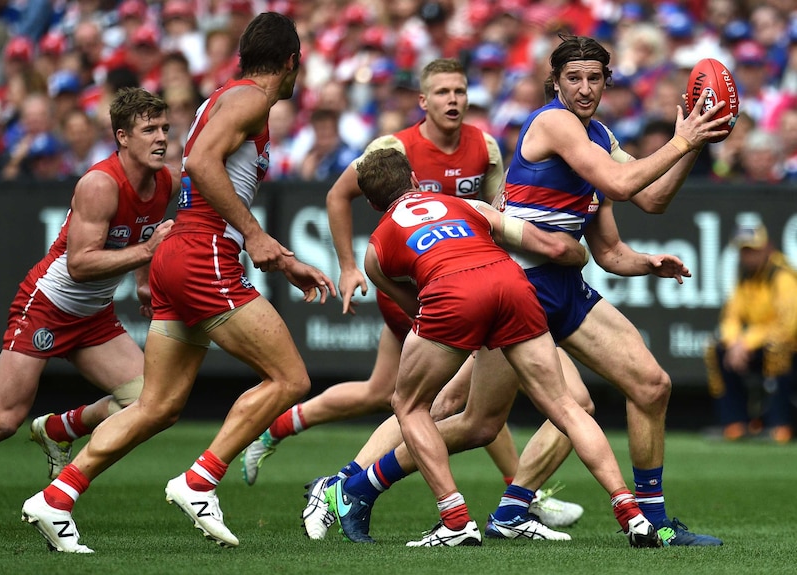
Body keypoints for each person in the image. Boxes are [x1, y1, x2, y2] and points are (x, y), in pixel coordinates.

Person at [20, 12, 336, 554]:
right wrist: (256, 235)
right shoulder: (253, 100)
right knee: (290, 379)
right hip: (203, 253)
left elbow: (202, 171)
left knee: (157, 405)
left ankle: (56, 498)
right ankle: (200, 481)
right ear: (291, 62)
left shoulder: (226, 96)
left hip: (181, 254)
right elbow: (203, 164)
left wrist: (278, 257)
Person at [240, 58, 583, 534]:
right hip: (423, 291)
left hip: (474, 284)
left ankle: (329, 472)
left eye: (460, 91)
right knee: (440, 404)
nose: (454, 100)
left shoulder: (483, 146)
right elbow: (340, 196)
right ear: (424, 101)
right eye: (442, 92)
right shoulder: (392, 148)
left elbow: (495, 208)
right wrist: (345, 266)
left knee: (410, 398)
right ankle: (510, 499)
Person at [327, 147, 660, 548]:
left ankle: (453, 519)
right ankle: (630, 512)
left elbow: (416, 309)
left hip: (452, 297)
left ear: (370, 202)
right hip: (512, 284)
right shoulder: (467, 205)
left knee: (410, 405)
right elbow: (548, 245)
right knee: (566, 406)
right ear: (415, 179)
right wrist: (580, 252)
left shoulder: (375, 251)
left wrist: (466, 331)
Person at [480, 34, 729, 545]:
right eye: (574, 77)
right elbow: (618, 184)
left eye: (595, 77)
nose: (585, 87)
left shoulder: (598, 137)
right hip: (516, 286)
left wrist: (694, 143)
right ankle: (352, 485)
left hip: (562, 286)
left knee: (651, 385)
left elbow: (642, 209)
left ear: (607, 81)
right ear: (555, 82)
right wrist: (682, 141)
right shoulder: (554, 123)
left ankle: (652, 522)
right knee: (471, 423)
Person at [0, 87, 178, 531]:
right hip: (47, 306)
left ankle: (60, 429)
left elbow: (147, 235)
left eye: (164, 128)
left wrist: (144, 285)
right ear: (122, 136)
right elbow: (81, 264)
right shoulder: (99, 184)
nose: (162, 138)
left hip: (94, 317)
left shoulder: (164, 181)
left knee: (152, 402)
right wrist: (146, 254)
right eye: (150, 130)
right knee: (2, 420)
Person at [706, 220, 797, 443]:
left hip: (790, 348)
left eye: (753, 250)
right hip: (759, 346)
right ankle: (735, 423)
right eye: (744, 251)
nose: (748, 256)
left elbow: (788, 325)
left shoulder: (781, 276)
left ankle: (780, 425)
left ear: (768, 248)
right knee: (717, 349)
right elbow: (731, 316)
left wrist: (746, 342)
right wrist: (734, 342)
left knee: (777, 348)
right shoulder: (745, 277)